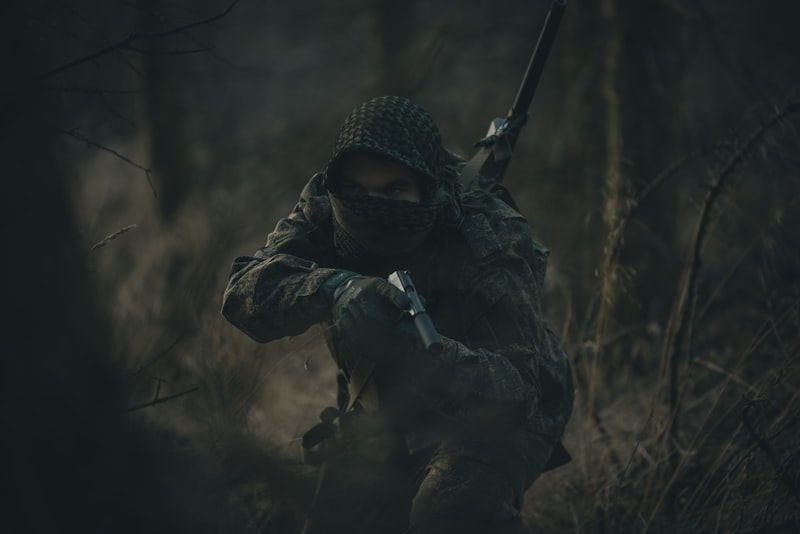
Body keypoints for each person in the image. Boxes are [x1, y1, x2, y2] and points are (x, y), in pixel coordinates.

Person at [221, 95, 573, 533]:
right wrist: (334, 290)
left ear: (425, 187)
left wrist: (414, 350)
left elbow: (514, 393)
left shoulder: (487, 230)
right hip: (386, 410)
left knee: (447, 514)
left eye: (394, 190)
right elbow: (243, 292)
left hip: (492, 412)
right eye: (357, 190)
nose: (373, 204)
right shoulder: (326, 204)